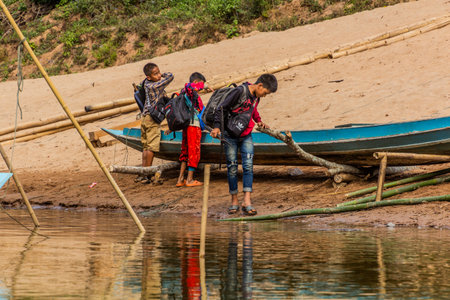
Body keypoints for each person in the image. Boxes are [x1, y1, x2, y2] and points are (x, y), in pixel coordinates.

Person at [210, 74, 278, 215]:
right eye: (265, 93)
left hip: (246, 135)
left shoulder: (256, 97)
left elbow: (252, 110)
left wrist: (259, 120)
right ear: (260, 86)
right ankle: (234, 200)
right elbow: (221, 108)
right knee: (233, 167)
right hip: (229, 135)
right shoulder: (239, 91)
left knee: (248, 166)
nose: (264, 96)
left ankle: (247, 200)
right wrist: (217, 127)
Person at [136, 62, 174, 184]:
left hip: (145, 117)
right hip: (152, 119)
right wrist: (163, 75)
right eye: (155, 74)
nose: (158, 75)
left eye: (158, 72)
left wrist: (158, 74)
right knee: (152, 147)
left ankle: (143, 172)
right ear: (149, 77)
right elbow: (171, 76)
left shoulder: (146, 83)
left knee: (146, 146)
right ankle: (148, 174)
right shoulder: (155, 86)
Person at [172, 72, 209, 187]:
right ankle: (189, 179)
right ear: (196, 83)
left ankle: (180, 179)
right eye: (201, 85)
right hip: (193, 126)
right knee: (194, 151)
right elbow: (189, 86)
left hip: (185, 125)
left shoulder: (184, 93)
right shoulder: (191, 92)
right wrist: (204, 87)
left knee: (185, 151)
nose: (201, 89)